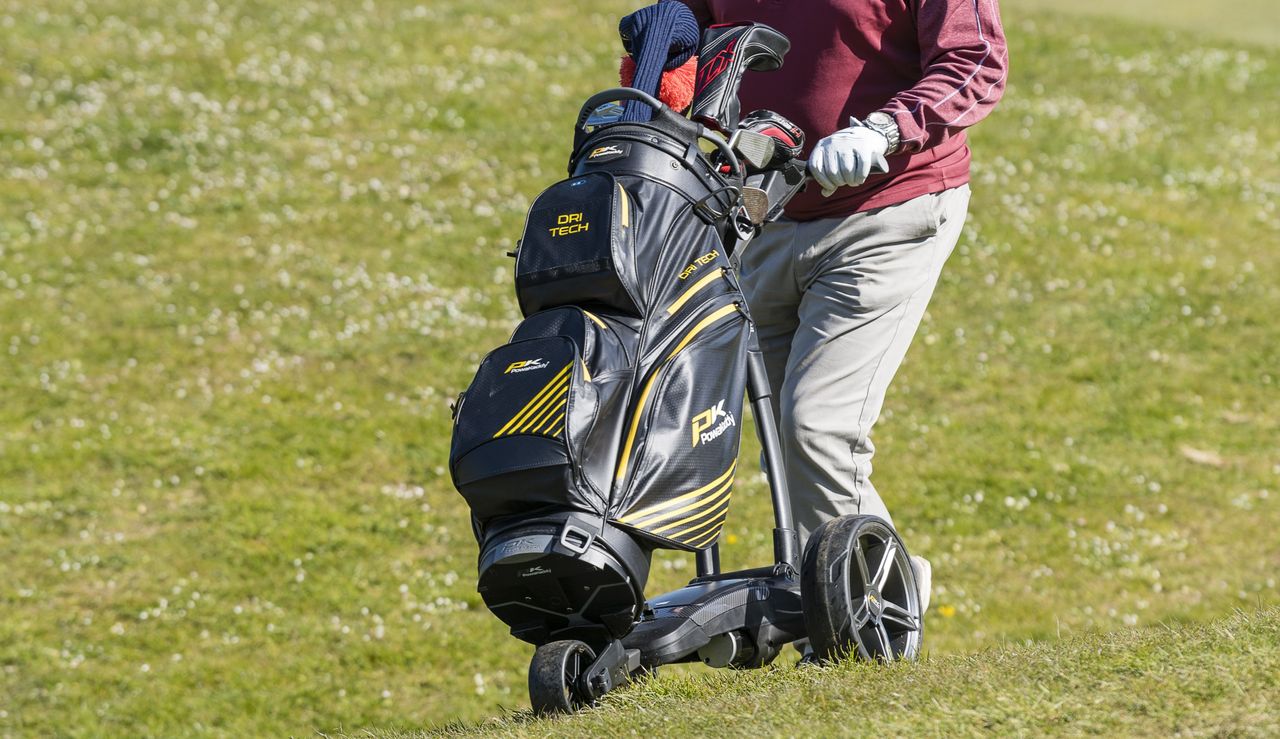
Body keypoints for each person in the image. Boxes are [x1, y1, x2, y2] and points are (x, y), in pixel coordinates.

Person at [674, 0, 1009, 615]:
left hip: (889, 209)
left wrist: (883, 129)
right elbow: (687, 36)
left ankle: (857, 622)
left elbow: (975, 60)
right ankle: (875, 590)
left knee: (816, 425)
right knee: (780, 433)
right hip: (764, 215)